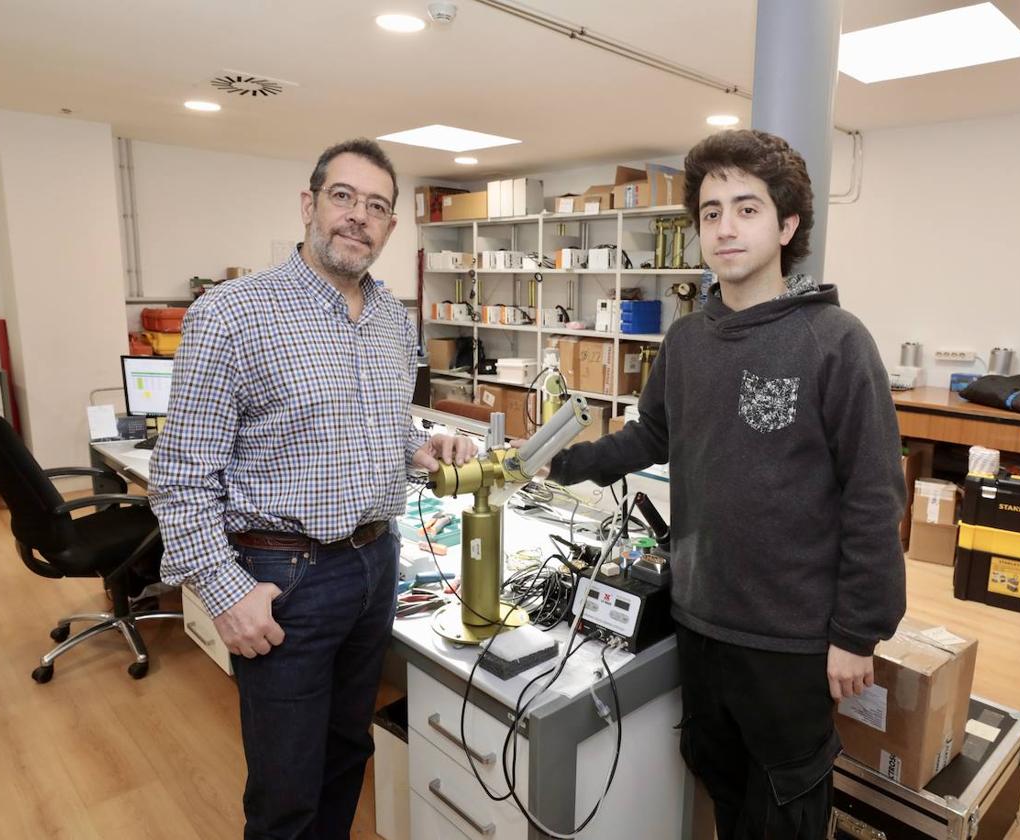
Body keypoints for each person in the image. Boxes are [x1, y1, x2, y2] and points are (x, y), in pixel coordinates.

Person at [544, 129, 906, 838]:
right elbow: (654, 435)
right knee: (717, 779)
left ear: (787, 224)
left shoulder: (834, 341)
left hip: (790, 637)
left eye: (746, 208)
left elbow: (873, 495)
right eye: (711, 213)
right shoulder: (686, 339)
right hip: (700, 617)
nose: (725, 228)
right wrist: (562, 463)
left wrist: (858, 633)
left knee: (785, 805)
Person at [148, 138, 477, 839]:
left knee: (346, 752)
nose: (359, 216)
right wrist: (224, 591)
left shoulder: (391, 319)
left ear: (391, 228)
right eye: (343, 197)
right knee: (286, 787)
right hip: (282, 574)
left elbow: (378, 426)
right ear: (310, 205)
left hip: (375, 561)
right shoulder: (233, 314)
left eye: (378, 207)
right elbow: (179, 479)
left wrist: (422, 448)